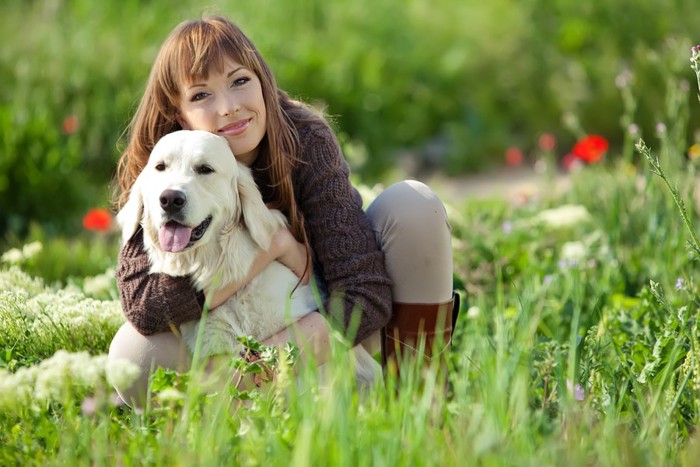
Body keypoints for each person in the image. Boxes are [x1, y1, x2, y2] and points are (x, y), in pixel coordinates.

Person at [108, 14, 456, 406]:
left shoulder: (306, 140)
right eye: (201, 95)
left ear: (263, 82)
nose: (228, 108)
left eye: (240, 81)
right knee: (133, 356)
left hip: (331, 328)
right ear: (178, 112)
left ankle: (422, 396)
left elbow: (365, 295)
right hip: (225, 344)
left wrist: (265, 362)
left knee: (414, 206)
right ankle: (230, 427)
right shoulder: (165, 166)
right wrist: (271, 250)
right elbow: (146, 305)